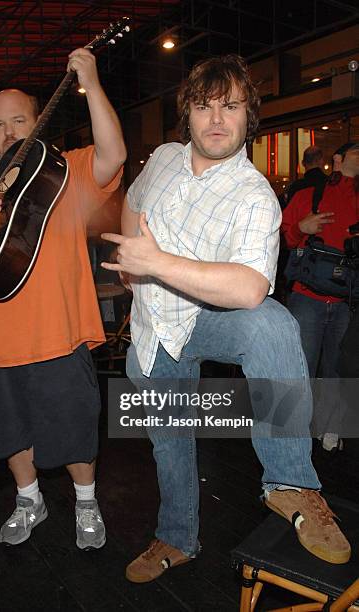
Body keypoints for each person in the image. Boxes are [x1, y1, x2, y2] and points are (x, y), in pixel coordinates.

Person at [101, 54, 351, 583]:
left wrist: (156, 263)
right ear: (187, 115)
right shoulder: (166, 157)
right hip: (153, 328)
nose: (216, 119)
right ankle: (176, 539)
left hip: (206, 315)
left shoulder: (255, 196)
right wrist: (131, 260)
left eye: (230, 107)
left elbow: (249, 288)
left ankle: (288, 482)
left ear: (248, 117)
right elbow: (133, 198)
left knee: (273, 324)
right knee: (170, 445)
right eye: (204, 106)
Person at [0, 48, 126, 549]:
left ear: (39, 123)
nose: (9, 132)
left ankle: (86, 503)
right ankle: (28, 499)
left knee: (76, 432)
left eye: (19, 120)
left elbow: (114, 155)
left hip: (61, 338)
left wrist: (93, 85)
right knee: (10, 434)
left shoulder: (67, 172)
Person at [281, 142, 359, 451]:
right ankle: (296, 433)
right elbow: (284, 237)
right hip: (307, 296)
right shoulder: (310, 194)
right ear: (337, 159)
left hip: (346, 299)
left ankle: (330, 429)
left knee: (337, 368)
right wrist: (302, 227)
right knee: (302, 367)